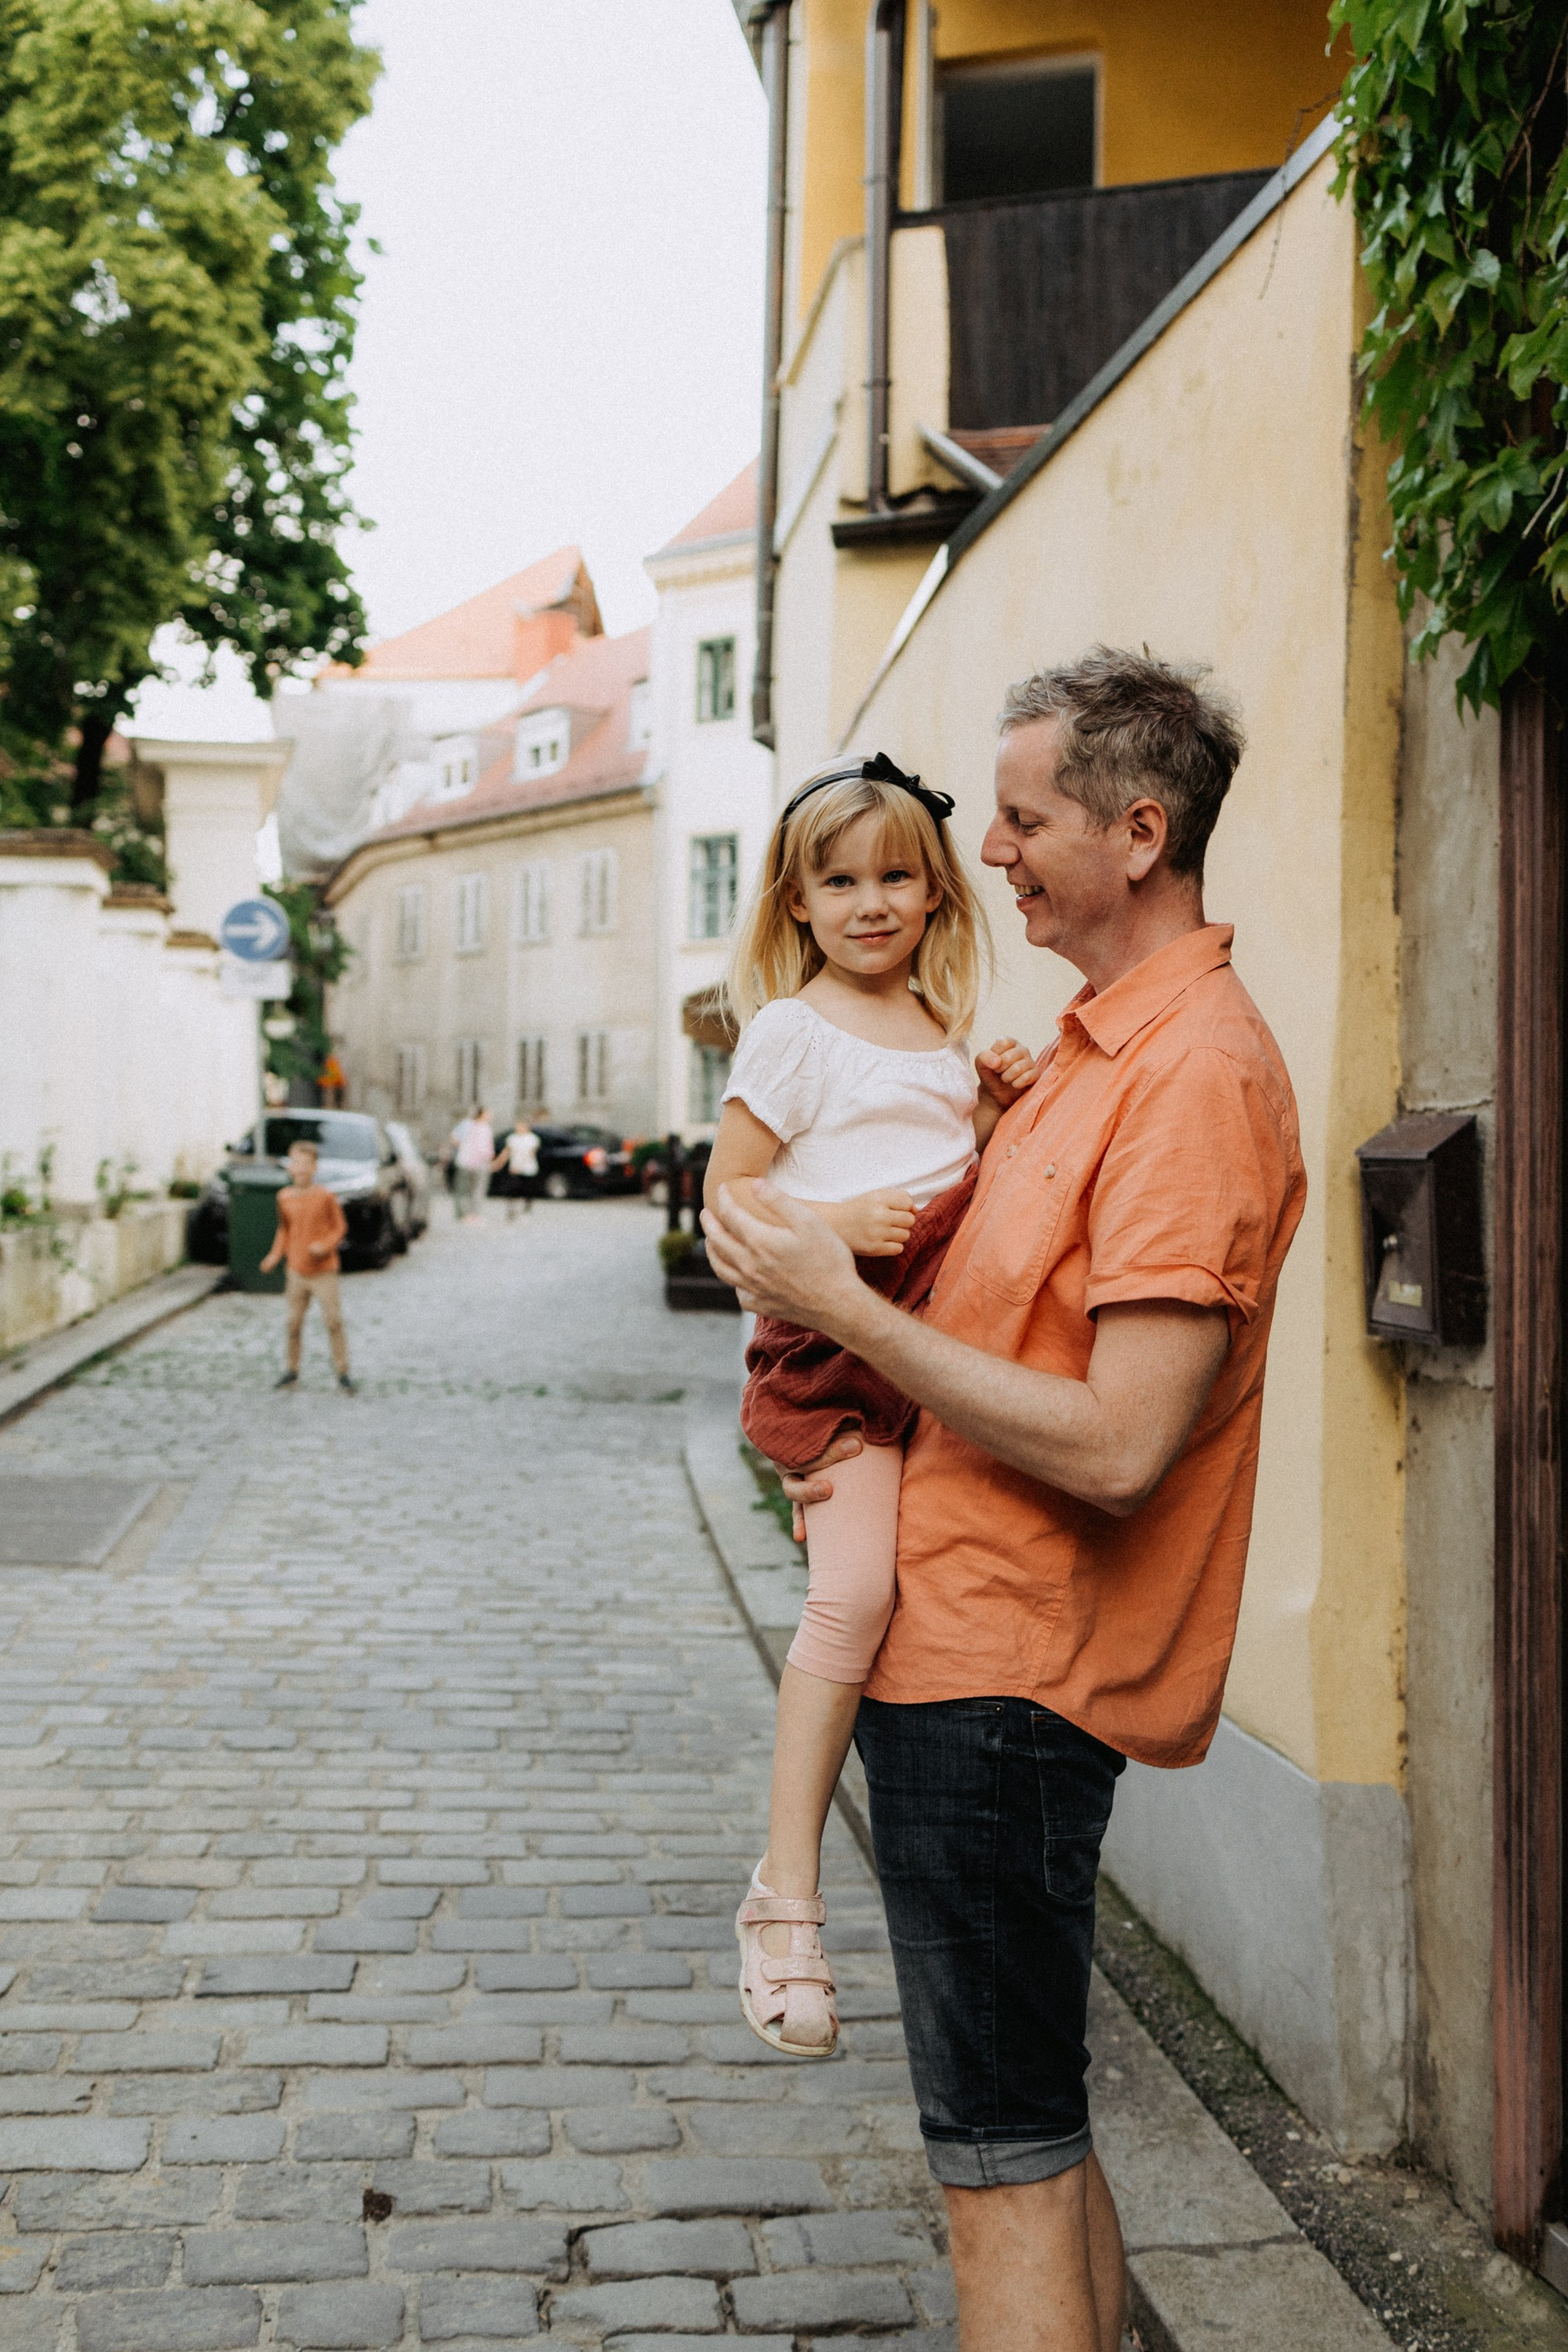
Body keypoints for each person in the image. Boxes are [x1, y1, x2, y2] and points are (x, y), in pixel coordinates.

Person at [703, 650, 1305, 2352]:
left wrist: (848, 1309)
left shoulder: (1190, 1074)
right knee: (1032, 2134)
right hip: (958, 1652)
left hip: (1004, 1681)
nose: (996, 854)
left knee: (1003, 2173)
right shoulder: (1088, 1060)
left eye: (1024, 821)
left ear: (1139, 829)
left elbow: (1122, 1444)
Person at [706, 752, 1037, 2060]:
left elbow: (976, 1216)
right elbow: (728, 1201)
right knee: (853, 1603)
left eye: (896, 875)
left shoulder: (946, 1050)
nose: (869, 903)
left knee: (929, 1602)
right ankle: (784, 1896)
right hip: (834, 1362)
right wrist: (829, 1221)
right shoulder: (792, 1032)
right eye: (839, 881)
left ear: (938, 892)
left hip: (931, 1359)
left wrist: (1002, 1117)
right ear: (796, 901)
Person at [260, 1138, 357, 1395]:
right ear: (290, 1168)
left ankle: (343, 1371)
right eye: (296, 1163)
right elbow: (285, 1230)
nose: (301, 1169)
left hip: (324, 1271)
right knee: (293, 1323)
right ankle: (291, 1369)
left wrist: (325, 1245)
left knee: (333, 1321)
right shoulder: (285, 1197)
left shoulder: (325, 1196)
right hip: (296, 1271)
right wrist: (274, 1255)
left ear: (314, 1168)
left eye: (306, 1164)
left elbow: (339, 1227)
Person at [452, 1106, 495, 1223]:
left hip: (465, 1161)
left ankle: (464, 1215)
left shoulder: (466, 1125)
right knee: (476, 1190)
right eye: (488, 1114)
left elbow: (454, 1139)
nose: (491, 1116)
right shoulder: (485, 1128)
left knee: (465, 1190)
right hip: (478, 1163)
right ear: (482, 1114)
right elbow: (486, 1148)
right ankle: (473, 1214)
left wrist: (463, 1148)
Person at [494, 1116, 540, 1218]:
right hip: (514, 1168)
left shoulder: (532, 1139)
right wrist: (498, 1163)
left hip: (528, 1169)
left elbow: (530, 1154)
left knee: (528, 1189)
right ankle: (512, 1208)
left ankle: (527, 1207)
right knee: (512, 1188)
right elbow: (506, 1152)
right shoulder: (512, 1138)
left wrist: (520, 1166)